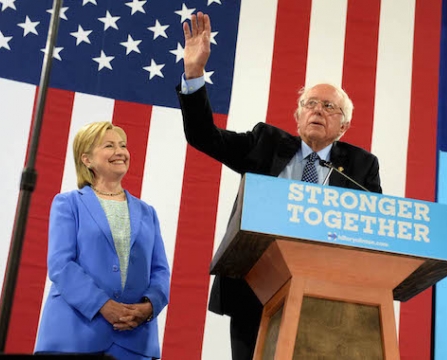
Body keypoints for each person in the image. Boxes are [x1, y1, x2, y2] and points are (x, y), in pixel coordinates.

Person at [177, 12, 382, 360]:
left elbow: (376, 227)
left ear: (343, 126)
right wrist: (194, 72)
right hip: (254, 288)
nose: (318, 110)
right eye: (310, 104)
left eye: (329, 106)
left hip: (325, 297)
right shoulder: (265, 142)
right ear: (297, 117)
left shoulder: (361, 166)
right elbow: (202, 136)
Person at [34, 121, 170, 360]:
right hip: (74, 337)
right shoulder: (68, 204)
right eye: (109, 146)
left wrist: (149, 307)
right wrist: (103, 305)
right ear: (86, 159)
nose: (120, 152)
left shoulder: (148, 212)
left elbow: (160, 271)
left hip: (135, 342)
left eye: (123, 145)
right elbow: (61, 265)